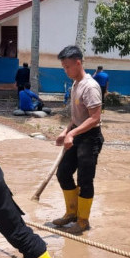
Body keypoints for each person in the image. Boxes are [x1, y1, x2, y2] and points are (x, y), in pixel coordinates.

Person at [52, 45, 104, 234]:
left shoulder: (90, 86)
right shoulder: (75, 84)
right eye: (63, 67)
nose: (65, 71)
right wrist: (65, 131)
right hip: (77, 134)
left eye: (67, 67)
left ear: (78, 63)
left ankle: (83, 220)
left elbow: (94, 118)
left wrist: (72, 134)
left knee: (85, 179)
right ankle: (71, 213)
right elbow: (77, 118)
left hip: (90, 137)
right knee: (63, 173)